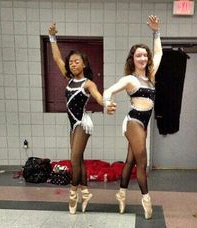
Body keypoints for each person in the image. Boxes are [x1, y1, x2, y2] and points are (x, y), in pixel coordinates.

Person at [48, 23, 115, 214]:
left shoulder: (88, 83)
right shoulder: (69, 79)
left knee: (74, 159)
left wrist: (107, 104)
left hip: (82, 124)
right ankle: (85, 192)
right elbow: (56, 57)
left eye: (76, 61)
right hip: (72, 125)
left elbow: (99, 96)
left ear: (84, 64)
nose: (72, 64)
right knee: (79, 160)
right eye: (71, 62)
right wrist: (52, 38)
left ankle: (73, 194)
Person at [103, 15, 162, 219]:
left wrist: (156, 32)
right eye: (139, 55)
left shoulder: (151, 77)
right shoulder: (129, 79)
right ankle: (146, 201)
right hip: (133, 122)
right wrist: (107, 104)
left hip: (143, 124)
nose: (143, 58)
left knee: (130, 160)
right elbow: (108, 91)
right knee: (142, 162)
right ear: (132, 58)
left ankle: (121, 194)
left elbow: (159, 52)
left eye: (145, 55)